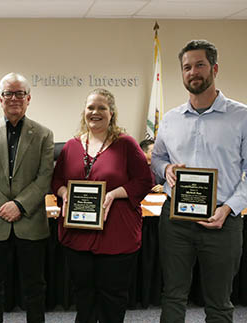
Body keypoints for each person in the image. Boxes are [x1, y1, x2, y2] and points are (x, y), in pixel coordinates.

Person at [152, 40, 247, 323]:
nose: (192, 72)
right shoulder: (171, 119)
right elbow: (156, 160)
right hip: (175, 221)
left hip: (223, 220)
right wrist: (166, 168)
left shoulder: (245, 118)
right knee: (172, 296)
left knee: (220, 302)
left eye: (199, 65)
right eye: (186, 67)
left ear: (214, 68)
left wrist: (229, 208)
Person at [51, 88, 152, 323]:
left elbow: (145, 180)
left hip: (116, 235)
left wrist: (115, 194)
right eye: (90, 107)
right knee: (83, 298)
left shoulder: (126, 144)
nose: (95, 112)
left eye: (101, 108)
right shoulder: (72, 146)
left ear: (112, 113)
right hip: (77, 236)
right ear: (84, 112)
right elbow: (56, 180)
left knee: (113, 300)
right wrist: (64, 192)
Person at [0, 72, 54, 323]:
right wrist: (2, 206)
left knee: (34, 287)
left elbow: (45, 176)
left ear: (29, 98)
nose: (14, 98)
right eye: (9, 93)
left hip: (31, 221)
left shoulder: (43, 134)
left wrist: (19, 205)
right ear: (0, 98)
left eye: (20, 93)